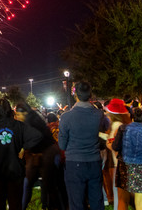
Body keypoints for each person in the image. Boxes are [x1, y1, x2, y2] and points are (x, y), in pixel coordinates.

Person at [0, 99, 42, 210]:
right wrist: (24, 147)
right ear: (9, 110)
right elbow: (37, 136)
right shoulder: (18, 125)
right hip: (15, 170)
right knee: (15, 203)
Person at [58, 81, 105, 210]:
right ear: (90, 95)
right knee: (96, 200)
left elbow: (62, 145)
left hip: (74, 163)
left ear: (76, 95)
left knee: (76, 202)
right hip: (94, 161)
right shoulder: (99, 115)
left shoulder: (66, 117)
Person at [15, 102, 64, 210]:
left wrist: (24, 147)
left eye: (18, 115)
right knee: (30, 183)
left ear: (24, 113)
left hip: (47, 154)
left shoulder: (30, 121)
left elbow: (37, 136)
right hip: (39, 155)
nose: (17, 117)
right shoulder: (33, 118)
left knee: (48, 185)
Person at [111, 107, 142, 210]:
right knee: (141, 204)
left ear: (132, 118)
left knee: (122, 199)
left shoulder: (123, 128)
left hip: (124, 167)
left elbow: (115, 147)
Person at [105, 99, 131, 210]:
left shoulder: (116, 125)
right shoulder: (125, 124)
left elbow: (114, 145)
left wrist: (108, 144)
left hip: (119, 163)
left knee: (120, 196)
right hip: (125, 162)